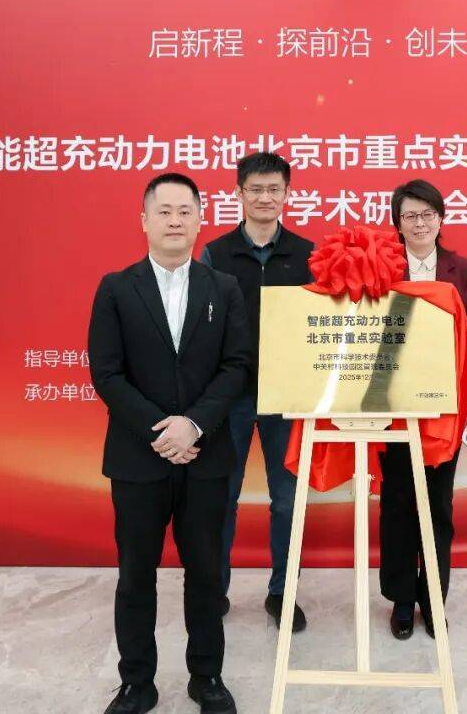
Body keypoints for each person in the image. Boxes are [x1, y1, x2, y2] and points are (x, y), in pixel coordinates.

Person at [89, 172, 252, 714]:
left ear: (201, 220)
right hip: (138, 457)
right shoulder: (116, 288)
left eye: (186, 211)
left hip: (206, 456)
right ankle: (137, 682)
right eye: (165, 211)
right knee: (135, 574)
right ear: (145, 221)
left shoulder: (223, 288)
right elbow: (107, 373)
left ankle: (207, 677)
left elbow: (237, 366)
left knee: (205, 573)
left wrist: (194, 425)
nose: (176, 220)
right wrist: (161, 430)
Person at [200, 152, 315, 632]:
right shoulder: (216, 254)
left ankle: (282, 594)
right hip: (230, 397)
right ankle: (213, 590)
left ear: (288, 194)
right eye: (255, 189)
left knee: (287, 501)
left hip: (287, 398)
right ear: (239, 194)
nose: (265, 198)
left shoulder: (308, 254)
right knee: (220, 497)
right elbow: (203, 328)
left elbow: (319, 327)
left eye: (274, 189)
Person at [378, 179, 467, 641]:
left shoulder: (461, 269)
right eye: (410, 216)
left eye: (428, 214)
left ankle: (432, 599)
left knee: (438, 505)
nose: (420, 223)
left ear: (441, 218)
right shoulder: (382, 266)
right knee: (398, 503)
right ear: (398, 223)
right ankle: (402, 600)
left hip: (445, 407)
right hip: (392, 404)